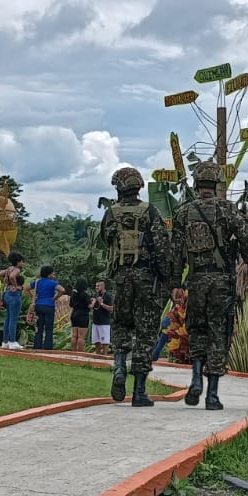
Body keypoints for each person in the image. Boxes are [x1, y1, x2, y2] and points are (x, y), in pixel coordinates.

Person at [171, 162, 248, 409]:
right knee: (219, 333)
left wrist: (175, 283)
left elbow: (175, 252)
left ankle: (196, 378)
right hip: (222, 281)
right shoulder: (228, 210)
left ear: (197, 184)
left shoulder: (183, 213)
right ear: (217, 183)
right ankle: (212, 395)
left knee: (197, 329)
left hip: (196, 281)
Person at [99, 166, 173, 407]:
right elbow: (162, 247)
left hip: (121, 278)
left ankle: (120, 366)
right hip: (146, 279)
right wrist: (167, 278)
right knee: (146, 332)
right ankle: (139, 391)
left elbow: (105, 239)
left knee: (121, 324)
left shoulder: (111, 213)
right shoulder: (150, 211)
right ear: (138, 186)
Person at [0, 252, 26, 349]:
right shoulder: (16, 269)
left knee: (8, 319)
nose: (23, 263)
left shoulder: (9, 269)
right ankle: (12, 341)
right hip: (14, 295)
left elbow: (0, 275)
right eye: (22, 261)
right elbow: (12, 276)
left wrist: (8, 284)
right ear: (18, 262)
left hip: (7, 294)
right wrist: (16, 286)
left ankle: (5, 341)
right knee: (13, 319)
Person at [30, 265, 63, 350]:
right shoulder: (52, 283)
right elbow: (62, 290)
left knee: (39, 328)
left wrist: (32, 297)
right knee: (49, 329)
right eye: (52, 274)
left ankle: (37, 346)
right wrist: (55, 298)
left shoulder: (37, 282)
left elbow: (26, 288)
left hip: (39, 305)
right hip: (49, 306)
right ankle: (48, 347)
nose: (53, 275)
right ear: (49, 275)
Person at [68, 279, 92, 353]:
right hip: (83, 315)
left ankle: (73, 352)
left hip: (74, 314)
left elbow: (70, 305)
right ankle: (81, 353)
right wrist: (94, 301)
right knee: (81, 337)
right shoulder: (84, 294)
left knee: (74, 335)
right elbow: (90, 306)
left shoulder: (73, 294)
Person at [90, 280, 113, 353]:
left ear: (103, 286)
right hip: (95, 322)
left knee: (105, 342)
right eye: (96, 286)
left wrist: (102, 304)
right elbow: (93, 307)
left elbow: (111, 309)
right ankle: (98, 356)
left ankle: (105, 356)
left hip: (104, 323)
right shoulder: (95, 295)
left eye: (98, 286)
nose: (96, 287)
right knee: (96, 341)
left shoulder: (108, 296)